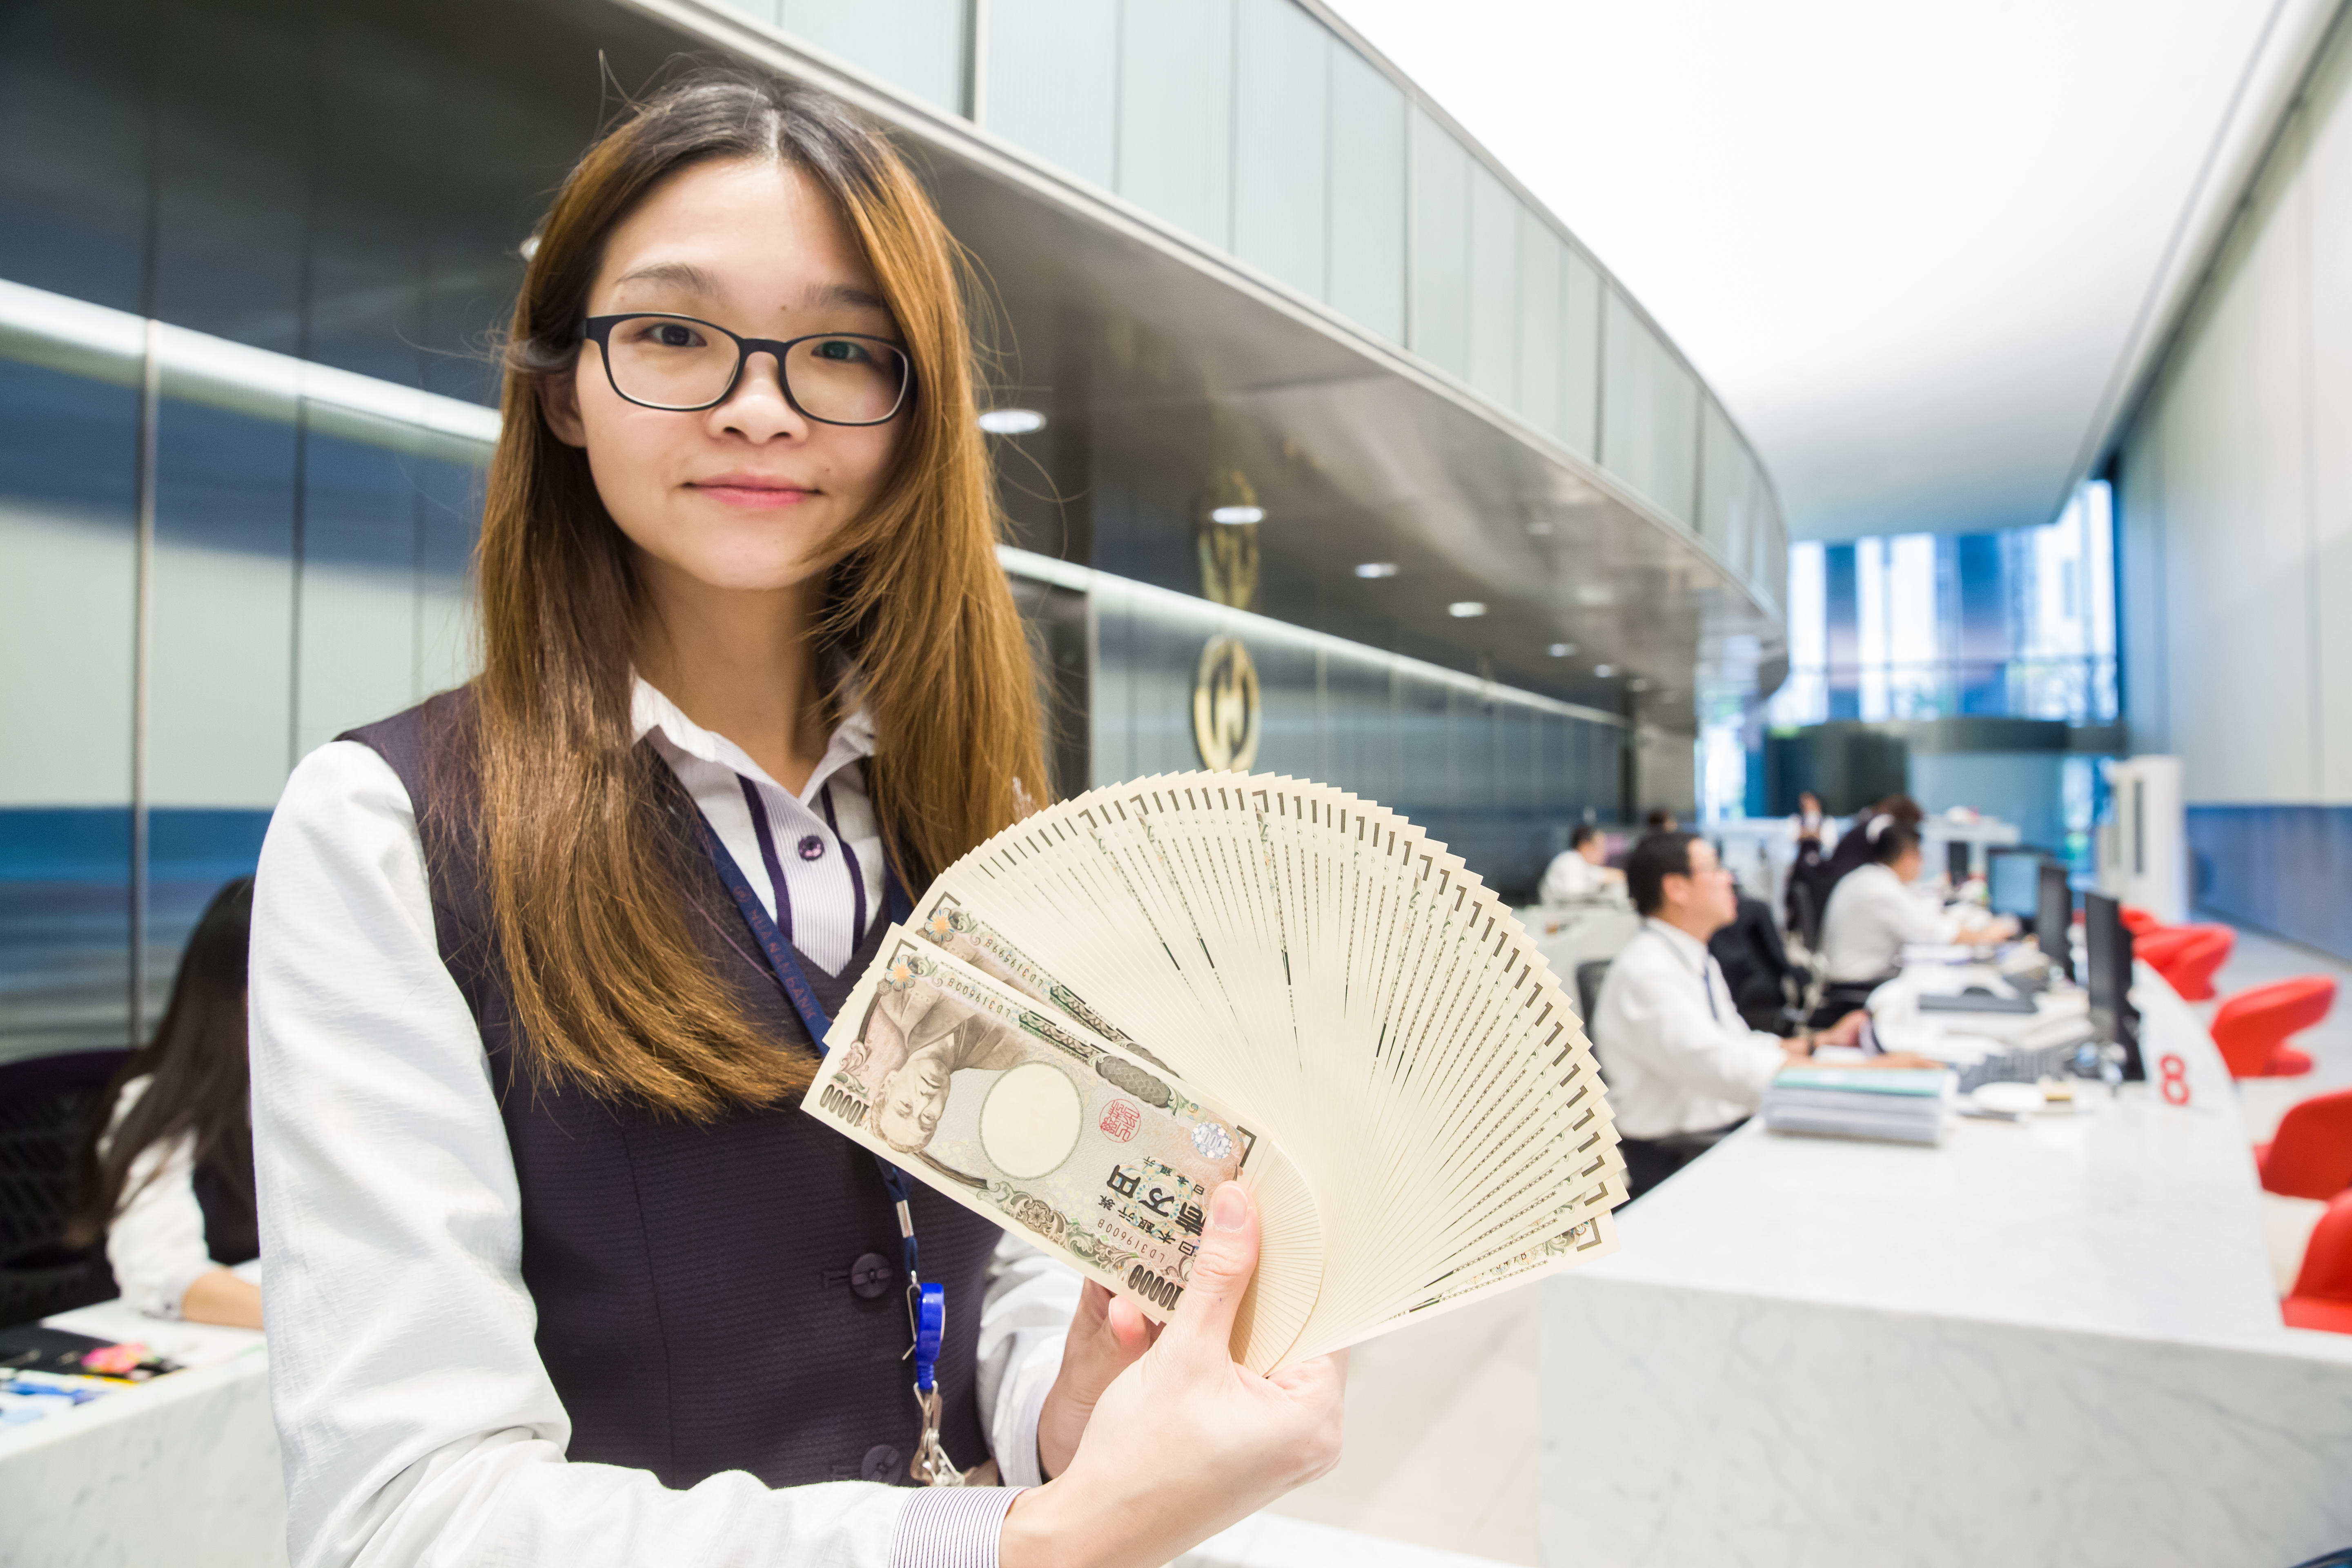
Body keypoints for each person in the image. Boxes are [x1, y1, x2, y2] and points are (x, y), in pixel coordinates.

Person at [248, 75, 1341, 1568]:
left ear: (909, 411)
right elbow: (408, 1517)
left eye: (839, 350)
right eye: (674, 334)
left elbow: (1004, 1276)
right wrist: (1014, 1542)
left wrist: (1069, 1411)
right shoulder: (385, 832)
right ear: (563, 385)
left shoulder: (981, 817)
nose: (759, 403)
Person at [1590, 833, 1935, 1200]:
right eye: (1715, 868)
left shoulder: (1692, 957)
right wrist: (1868, 1073)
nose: (1729, 878)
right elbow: (1729, 1069)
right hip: (1678, 1159)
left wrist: (1818, 1043)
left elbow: (1736, 1046)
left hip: (1717, 1136)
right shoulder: (1648, 972)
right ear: (1677, 888)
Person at [67, 877, 262, 1329]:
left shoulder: (330, 1099)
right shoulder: (164, 1106)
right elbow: (165, 1275)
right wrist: (323, 1322)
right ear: (240, 989)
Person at [1818, 822, 2015, 993]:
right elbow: (1936, 934)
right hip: (1855, 985)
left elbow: (1921, 917)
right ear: (1908, 858)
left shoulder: (1870, 877)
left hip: (1856, 978)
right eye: (1921, 857)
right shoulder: (1881, 890)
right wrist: (1989, 934)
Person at [1539, 823, 1623, 904]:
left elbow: (1612, 875)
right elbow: (1576, 898)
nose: (1604, 853)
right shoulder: (1570, 861)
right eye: (1601, 847)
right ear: (1585, 846)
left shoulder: (1582, 865)